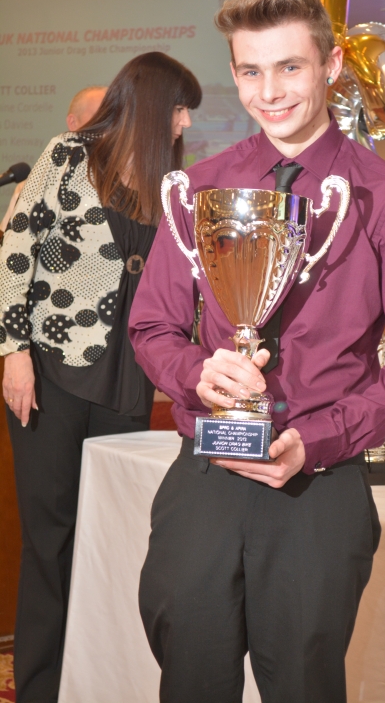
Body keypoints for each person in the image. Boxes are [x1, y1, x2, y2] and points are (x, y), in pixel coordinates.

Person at [129, 0, 385, 703]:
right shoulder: (200, 188)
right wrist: (196, 373)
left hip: (319, 484)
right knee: (188, 677)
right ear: (234, 72)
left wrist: (320, 439)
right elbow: (152, 326)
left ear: (330, 66)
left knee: (303, 685)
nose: (268, 92)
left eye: (289, 67)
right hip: (207, 469)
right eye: (250, 71)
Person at [0, 51, 201, 703]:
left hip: (128, 384)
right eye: (179, 108)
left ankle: (96, 685)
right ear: (151, 103)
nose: (186, 121)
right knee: (50, 542)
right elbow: (16, 251)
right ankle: (39, 689)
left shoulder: (172, 185)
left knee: (112, 540)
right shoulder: (67, 156)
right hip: (51, 374)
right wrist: (13, 352)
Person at [0, 85, 108, 234]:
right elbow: (9, 241)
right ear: (73, 123)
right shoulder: (36, 188)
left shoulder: (133, 184)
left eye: (117, 117)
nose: (111, 126)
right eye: (101, 117)